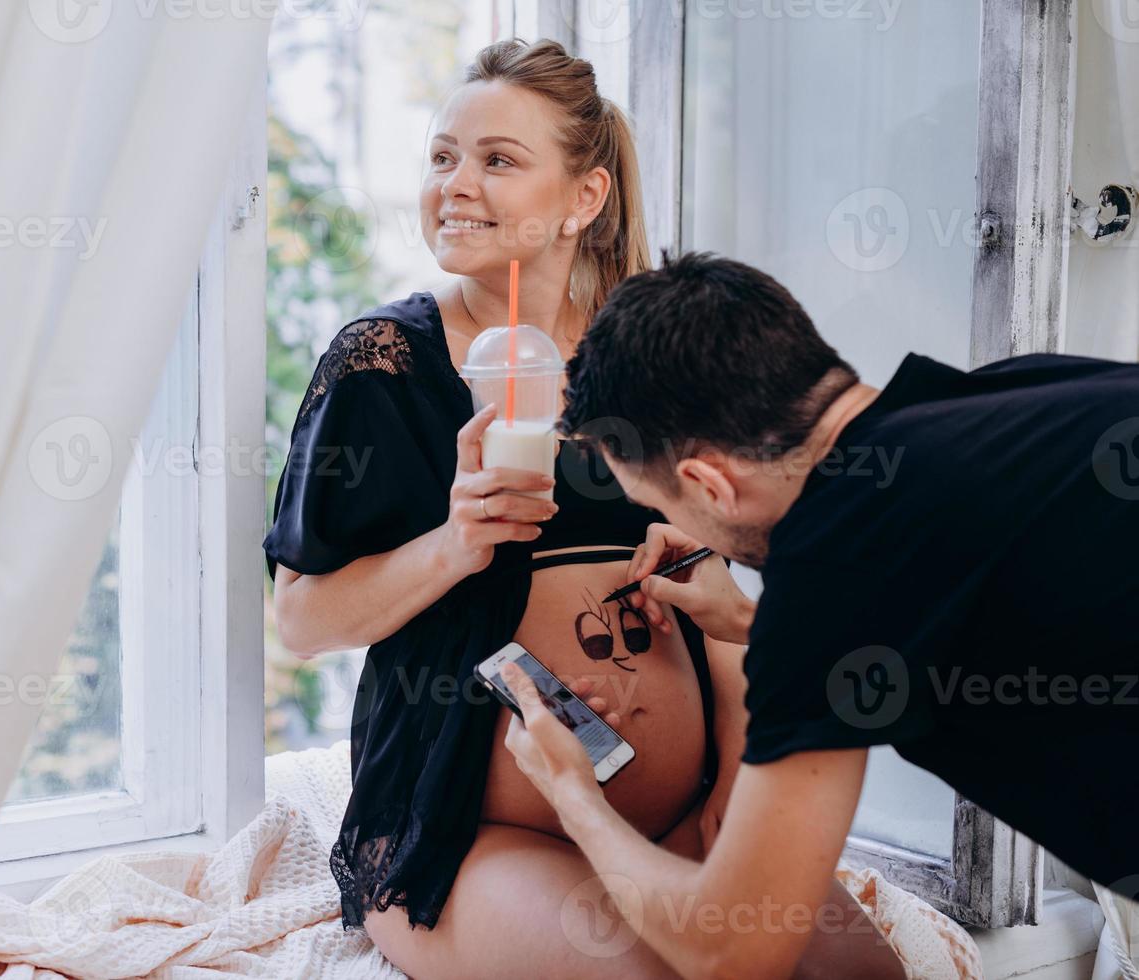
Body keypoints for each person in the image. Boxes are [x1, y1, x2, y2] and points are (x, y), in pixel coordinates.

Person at [264, 39, 903, 979]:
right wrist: (455, 543)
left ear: (584, 200)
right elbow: (302, 620)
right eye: (442, 156)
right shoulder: (383, 366)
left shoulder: (640, 361)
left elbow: (714, 587)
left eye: (497, 160)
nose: (455, 184)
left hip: (684, 815)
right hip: (470, 832)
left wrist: (731, 778)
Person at [502, 250, 1139, 980]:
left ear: (707, 482)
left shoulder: (836, 574)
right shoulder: (1011, 391)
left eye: (659, 505)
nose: (675, 528)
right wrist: (751, 622)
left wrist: (571, 794)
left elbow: (733, 948)